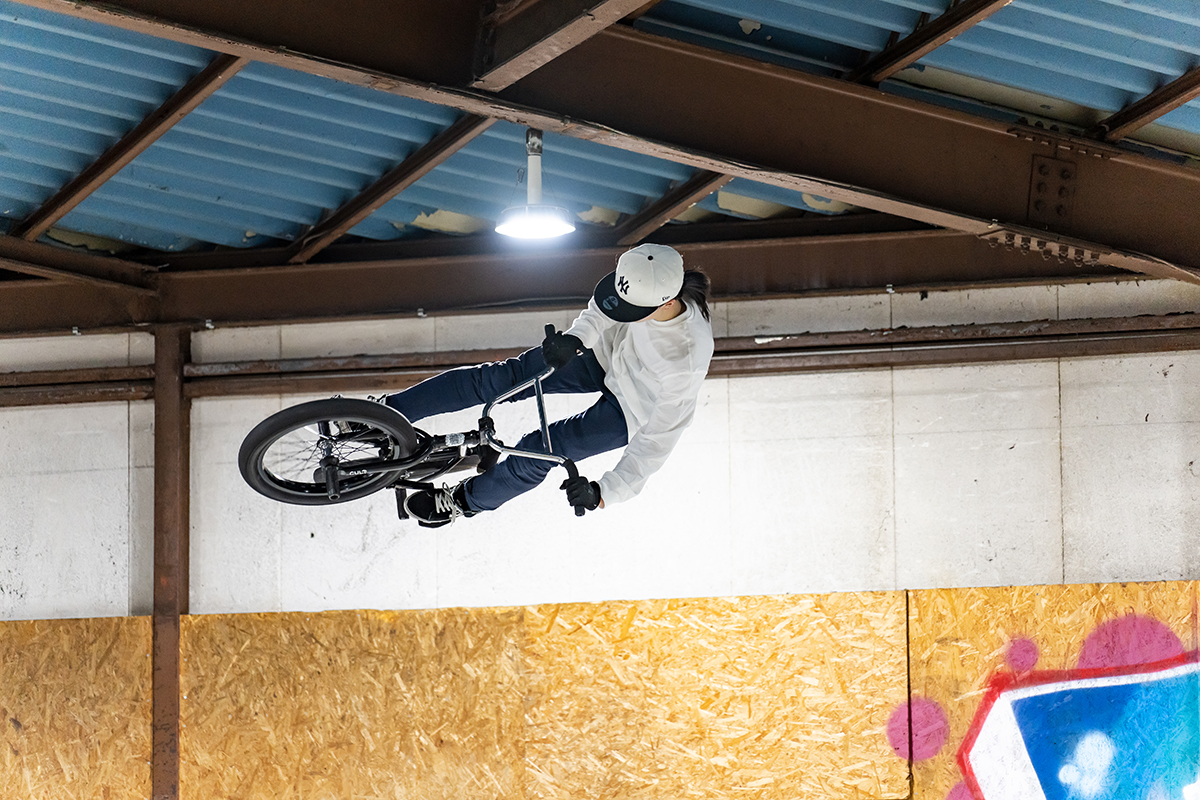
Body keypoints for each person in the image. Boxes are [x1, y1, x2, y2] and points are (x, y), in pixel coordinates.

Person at [384, 243, 715, 527]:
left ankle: (462, 501)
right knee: (501, 379)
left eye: (634, 310)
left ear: (667, 304)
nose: (624, 309)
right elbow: (606, 308)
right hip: (607, 354)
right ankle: (384, 412)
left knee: (539, 451)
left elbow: (657, 443)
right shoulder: (645, 271)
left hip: (632, 407)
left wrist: (604, 493)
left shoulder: (685, 361)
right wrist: (576, 338)